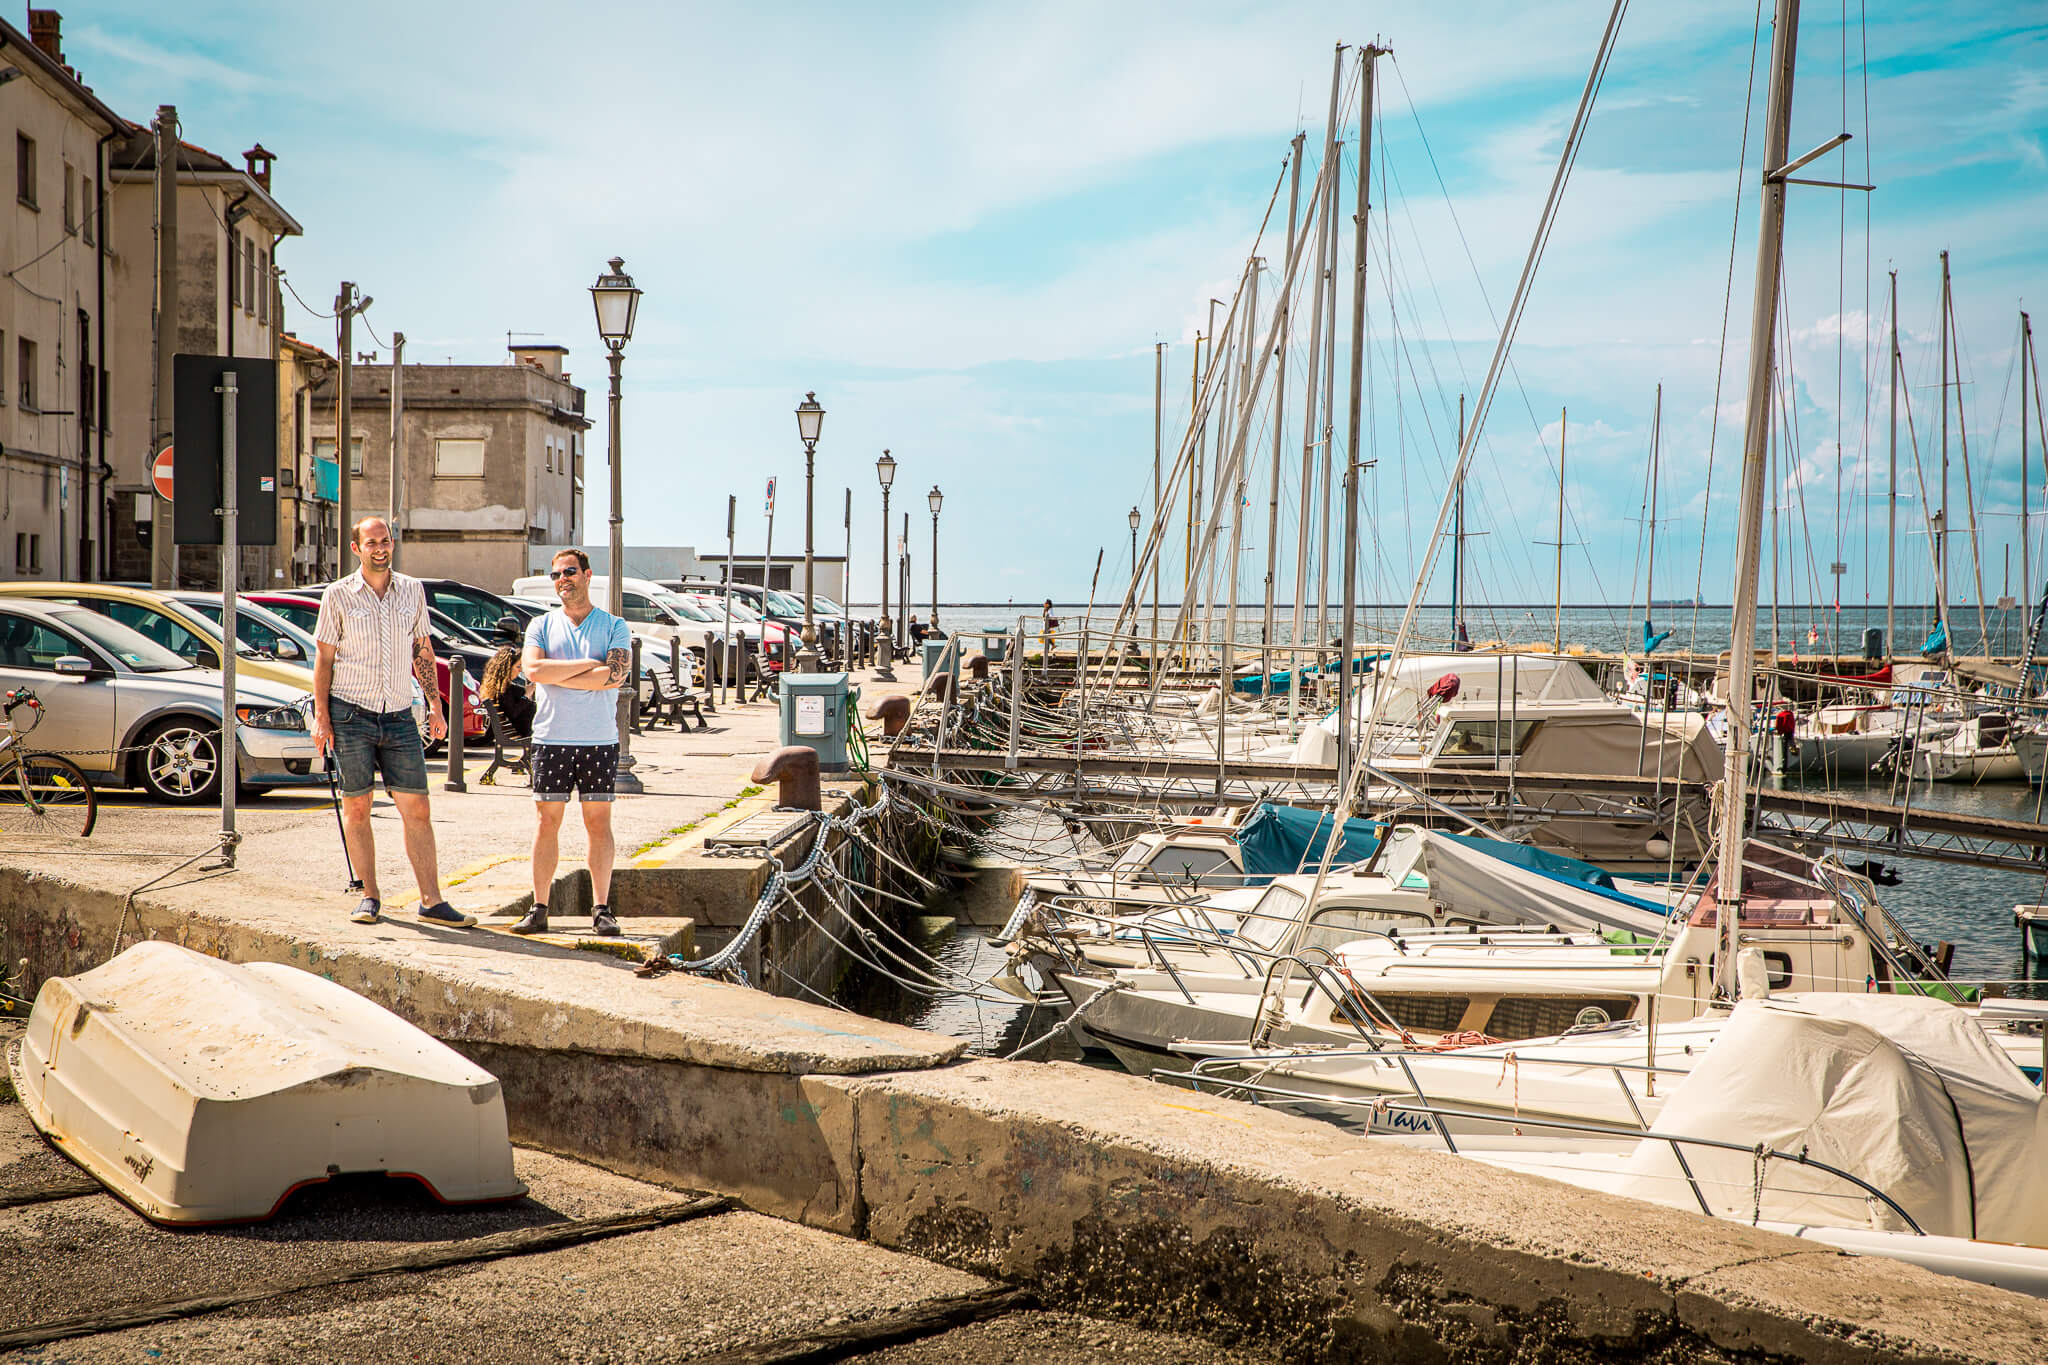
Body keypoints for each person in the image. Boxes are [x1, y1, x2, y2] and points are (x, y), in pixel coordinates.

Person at [311, 516, 473, 928]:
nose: (381, 548)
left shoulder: (412, 590)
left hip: (400, 714)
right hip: (350, 715)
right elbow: (324, 660)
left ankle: (432, 901)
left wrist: (436, 708)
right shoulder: (339, 595)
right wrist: (322, 719)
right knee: (358, 808)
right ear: (356, 548)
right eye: (372, 542)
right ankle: (369, 896)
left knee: (417, 807)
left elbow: (422, 650)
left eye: (386, 541)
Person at [512, 548, 632, 938]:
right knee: (547, 822)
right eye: (555, 575)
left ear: (587, 575)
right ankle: (539, 907)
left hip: (598, 741)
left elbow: (614, 677)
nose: (562, 579)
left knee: (598, 823)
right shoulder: (541, 626)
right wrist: (588, 666)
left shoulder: (614, 626)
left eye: (569, 572)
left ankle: (601, 909)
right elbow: (532, 669)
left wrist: (556, 674)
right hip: (552, 739)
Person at [479, 620, 535, 739]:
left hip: (525, 730)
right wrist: (527, 695)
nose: (520, 670)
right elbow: (513, 713)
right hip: (525, 732)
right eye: (518, 667)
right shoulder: (504, 689)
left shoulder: (502, 687)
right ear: (507, 668)